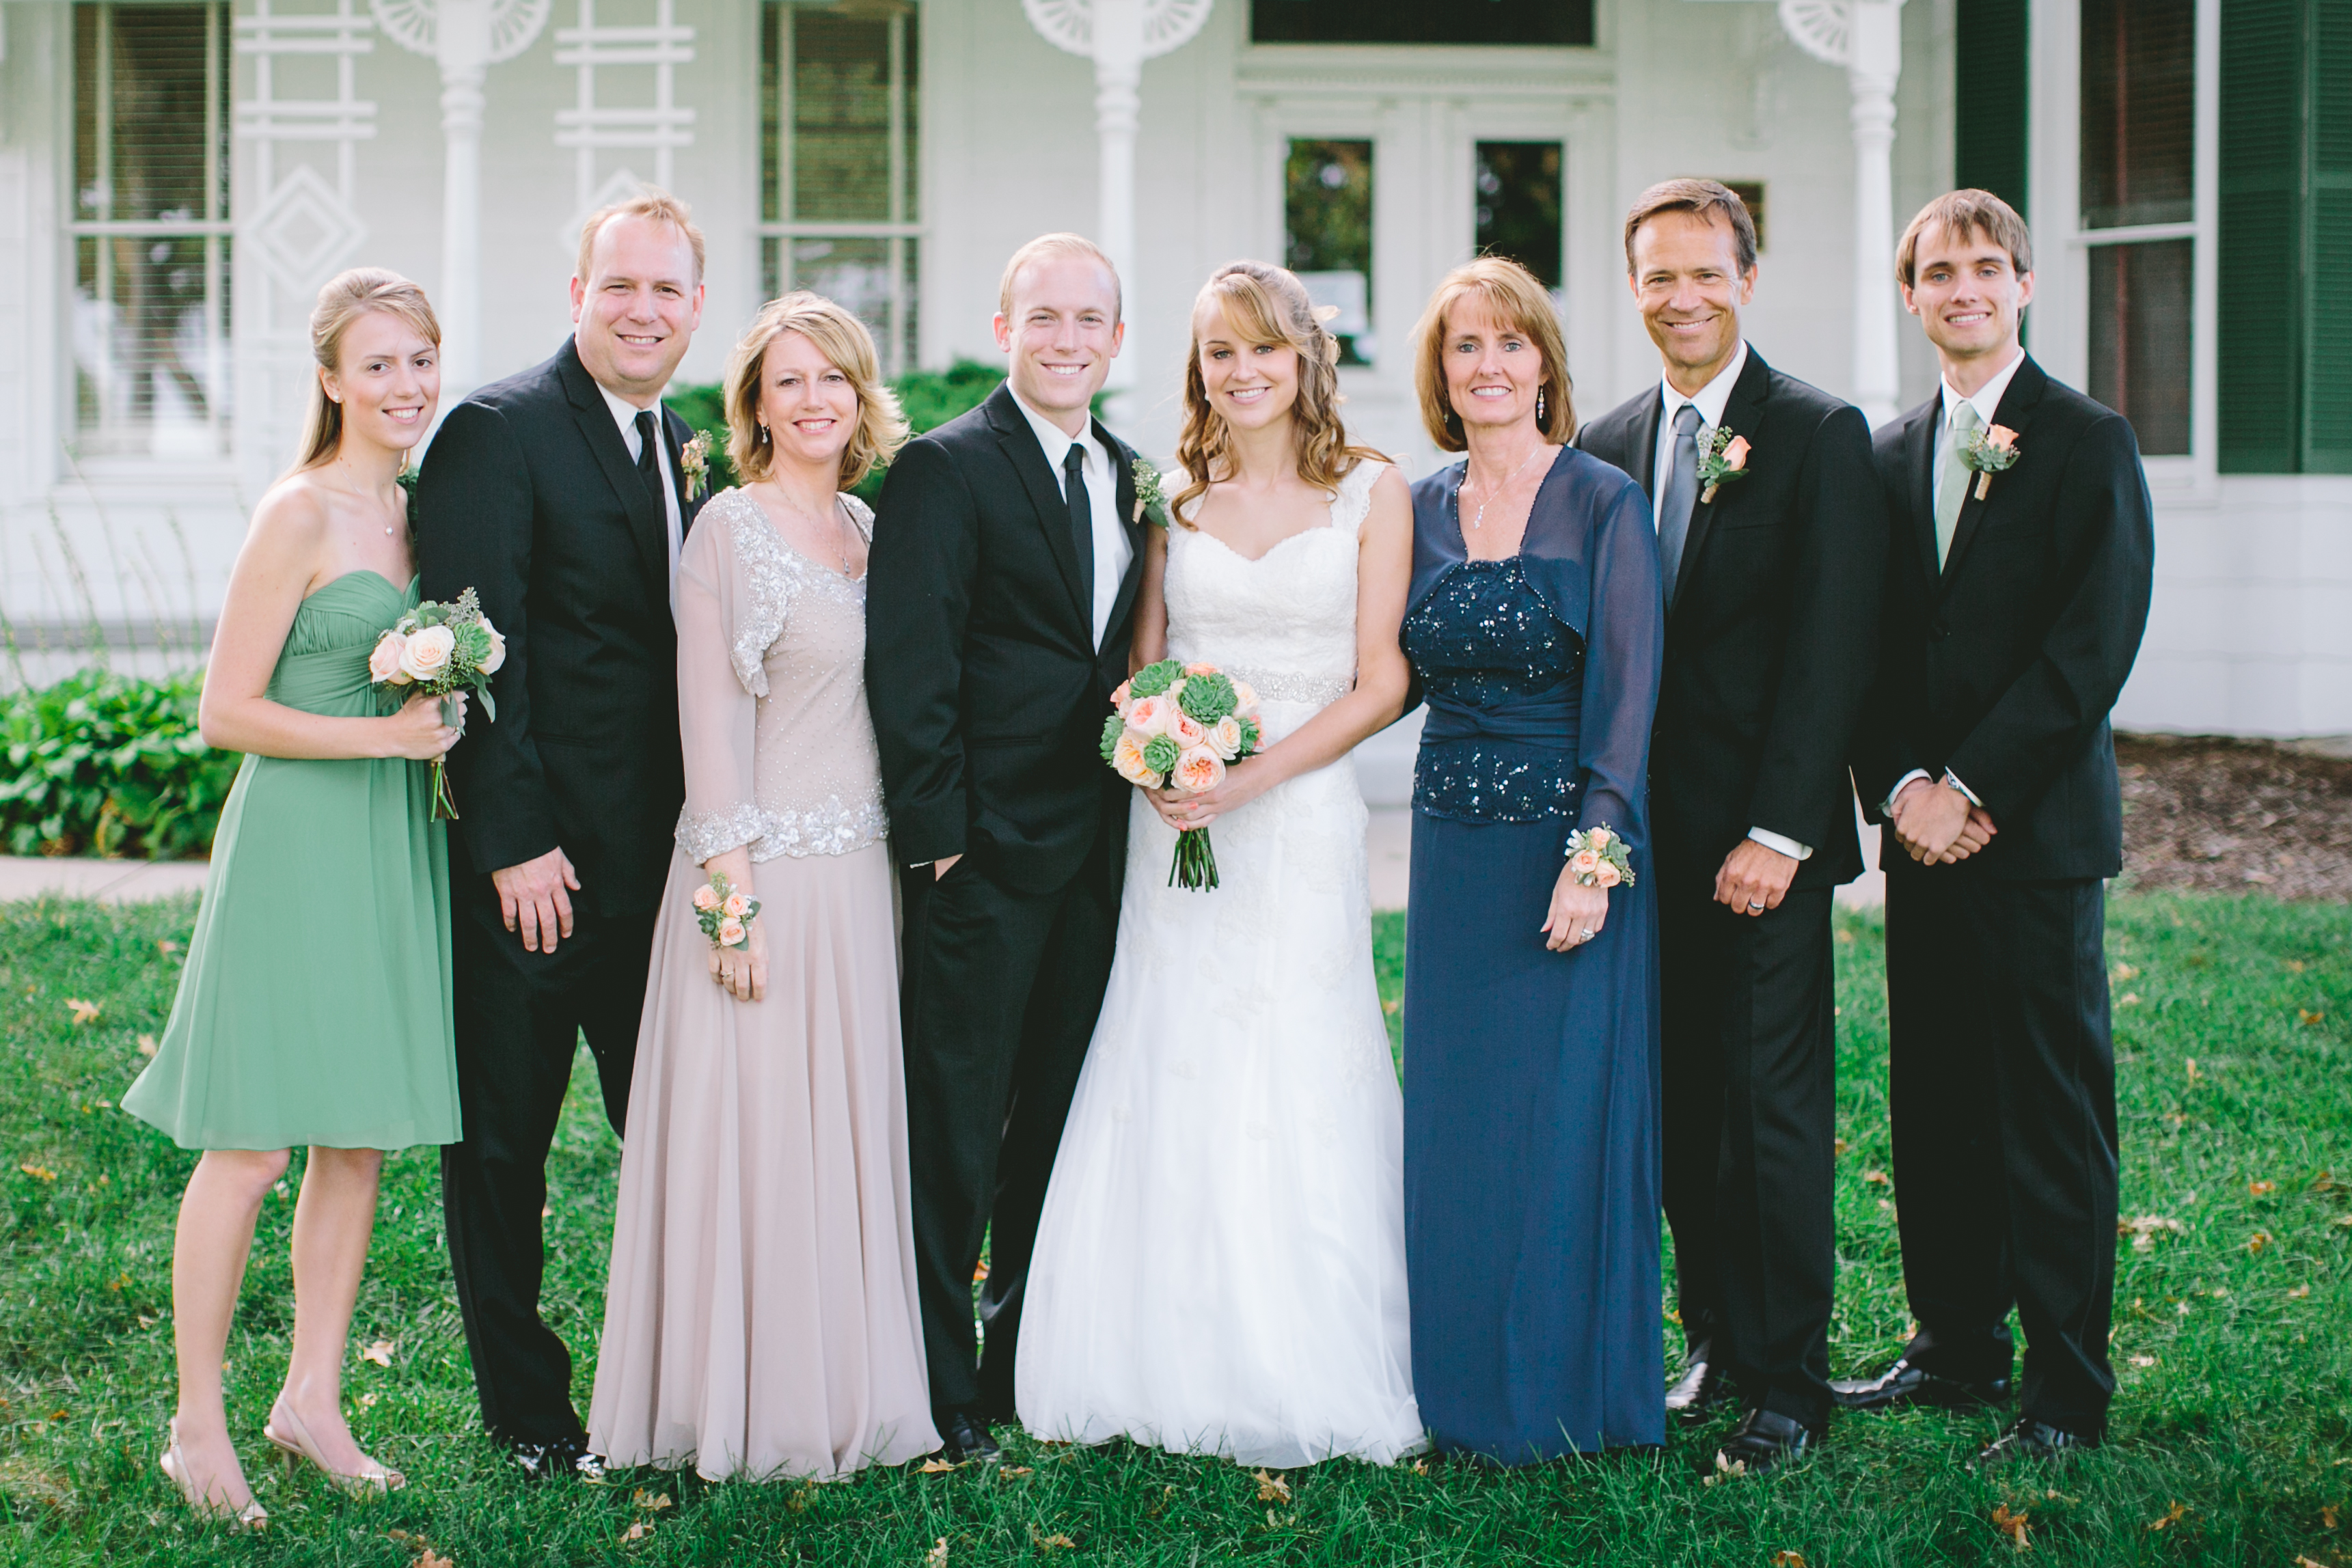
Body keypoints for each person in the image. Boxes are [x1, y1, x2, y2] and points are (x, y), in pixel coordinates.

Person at [1015, 261, 1423, 1466]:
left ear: (1304, 359)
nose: (1242, 372)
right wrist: (1154, 760)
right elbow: (1143, 666)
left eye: (1263, 349)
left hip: (1297, 818)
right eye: (1217, 351)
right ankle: (1149, 1345)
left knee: (1296, 1049)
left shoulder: (1371, 490)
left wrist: (1252, 778)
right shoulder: (1173, 497)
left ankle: (1302, 1352)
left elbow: (1381, 682)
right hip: (1175, 818)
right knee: (1170, 1038)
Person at [124, 269, 461, 1525]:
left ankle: (311, 1400)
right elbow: (224, 711)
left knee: (354, 1134)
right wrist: (386, 739)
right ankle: (194, 1424)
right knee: (254, 1141)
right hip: (298, 837)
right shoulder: (299, 510)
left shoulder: (421, 514)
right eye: (377, 364)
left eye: (420, 359)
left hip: (389, 840)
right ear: (330, 380)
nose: (405, 385)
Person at [586, 293, 936, 1479]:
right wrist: (729, 906)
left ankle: (846, 1386)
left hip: (859, 881)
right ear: (756, 406)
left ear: (860, 393)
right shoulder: (726, 533)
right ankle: (742, 1401)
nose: (814, 399)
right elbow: (709, 726)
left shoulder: (872, 527)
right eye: (789, 380)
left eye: (832, 376)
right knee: (760, 1141)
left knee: (841, 1141)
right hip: (762, 880)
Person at [1572, 180, 1887, 1471]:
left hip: (1761, 844)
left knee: (1766, 1112)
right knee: (1679, 1105)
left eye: (1706, 273)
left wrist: (1781, 831)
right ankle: (1710, 1339)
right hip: (1639, 845)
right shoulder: (1604, 438)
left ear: (1746, 280)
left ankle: (1787, 1381)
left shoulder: (1816, 432)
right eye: (1659, 275)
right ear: (1632, 286)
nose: (1683, 297)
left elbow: (1834, 646)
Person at [1841, 190, 2152, 1465]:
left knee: (2048, 1114)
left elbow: (2093, 643)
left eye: (1984, 267)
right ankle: (1955, 1347)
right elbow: (1860, 646)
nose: (1961, 287)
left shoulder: (2087, 441)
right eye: (1937, 270)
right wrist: (1900, 788)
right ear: (1909, 294)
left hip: (2033, 836)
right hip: (1917, 836)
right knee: (1937, 1101)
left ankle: (2065, 1392)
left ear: (2023, 285)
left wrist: (1969, 786)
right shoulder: (1883, 452)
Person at [415, 189, 709, 1477]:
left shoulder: (686, 446)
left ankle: (680, 1384)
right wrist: (512, 838)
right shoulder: (498, 431)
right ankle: (528, 1412)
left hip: (662, 872)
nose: (643, 310)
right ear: (578, 295)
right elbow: (478, 647)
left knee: (678, 1138)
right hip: (534, 871)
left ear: (696, 306)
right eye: (620, 285)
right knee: (503, 1150)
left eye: (666, 289)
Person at [866, 234, 1150, 1463]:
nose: (1066, 339)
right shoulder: (944, 467)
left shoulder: (1131, 474)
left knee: (1051, 1123)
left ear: (1116, 340)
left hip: (1098, 853)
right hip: (980, 855)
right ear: (1004, 328)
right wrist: (938, 844)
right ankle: (938, 1389)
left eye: (1089, 320)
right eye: (1044, 317)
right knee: (954, 1129)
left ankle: (1016, 1356)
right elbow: (909, 662)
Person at [1397, 256, 1666, 1463]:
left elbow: (1630, 691)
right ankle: (1453, 1386)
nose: (1489, 365)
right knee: (1458, 1125)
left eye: (1510, 343)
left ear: (1545, 364)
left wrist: (1593, 854)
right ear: (1440, 372)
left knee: (1557, 1121)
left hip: (1565, 849)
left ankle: (1562, 1391)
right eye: (1465, 345)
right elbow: (1375, 673)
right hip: (1449, 851)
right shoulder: (1414, 507)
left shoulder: (1602, 500)